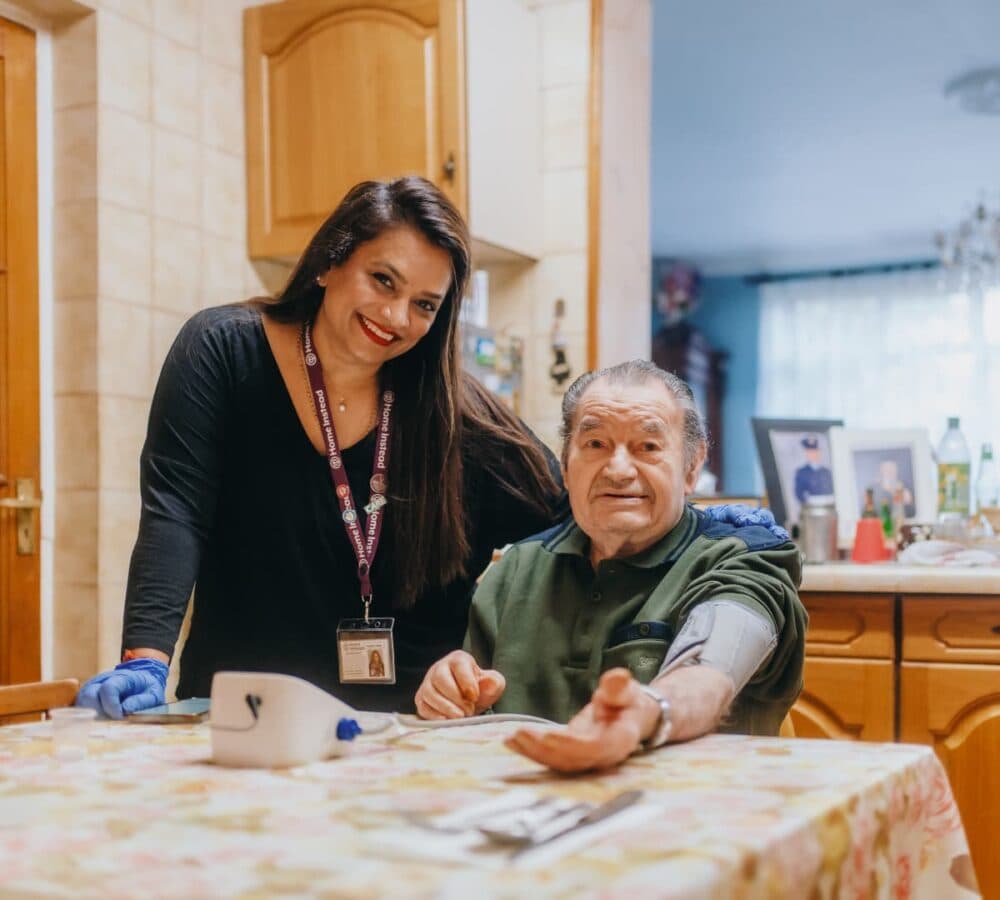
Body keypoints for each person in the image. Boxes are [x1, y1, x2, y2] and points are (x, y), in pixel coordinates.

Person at [76, 177, 566, 719]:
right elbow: (176, 513)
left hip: (410, 730)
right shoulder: (223, 351)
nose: (397, 317)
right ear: (329, 263)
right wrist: (145, 660)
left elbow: (571, 521)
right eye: (383, 280)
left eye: (425, 305)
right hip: (244, 716)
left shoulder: (458, 413)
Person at [415, 360, 807, 772]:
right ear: (566, 465)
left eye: (648, 447)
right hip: (533, 817)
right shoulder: (517, 567)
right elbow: (471, 709)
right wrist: (448, 689)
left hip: (692, 816)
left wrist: (648, 712)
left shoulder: (746, 554)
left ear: (692, 467)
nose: (619, 470)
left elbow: (711, 669)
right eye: (596, 444)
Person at [793, 434, 834, 505]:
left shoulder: (826, 471)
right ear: (806, 454)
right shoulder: (801, 472)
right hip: (812, 507)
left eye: (815, 451)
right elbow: (798, 493)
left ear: (819, 452)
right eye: (810, 452)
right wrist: (806, 504)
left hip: (830, 505)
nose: (813, 454)